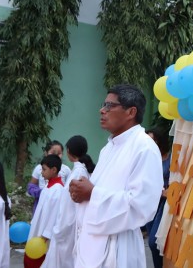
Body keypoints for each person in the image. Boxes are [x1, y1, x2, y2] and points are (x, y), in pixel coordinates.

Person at [69, 84, 163, 268]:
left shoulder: (145, 147)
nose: (102, 110)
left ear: (131, 112)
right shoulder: (108, 148)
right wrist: (80, 192)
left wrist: (92, 194)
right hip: (90, 244)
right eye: (104, 105)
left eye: (109, 105)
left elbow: (143, 206)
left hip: (118, 249)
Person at [42, 135, 95, 268]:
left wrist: (59, 229)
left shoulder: (77, 173)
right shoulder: (81, 170)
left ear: (69, 151)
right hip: (73, 225)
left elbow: (68, 205)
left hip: (68, 227)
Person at [25, 154, 64, 268]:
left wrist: (44, 237)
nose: (41, 172)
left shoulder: (58, 190)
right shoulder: (47, 188)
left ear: (54, 170)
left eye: (44, 169)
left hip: (44, 237)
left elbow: (54, 216)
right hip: (37, 229)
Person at [145, 127, 171, 268]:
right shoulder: (147, 157)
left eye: (152, 140)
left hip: (166, 204)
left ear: (159, 141)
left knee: (154, 242)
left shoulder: (171, 158)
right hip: (151, 203)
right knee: (154, 242)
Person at [27, 140, 71, 214]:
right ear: (46, 153)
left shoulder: (66, 170)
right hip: (41, 202)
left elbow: (68, 187)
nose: (56, 155)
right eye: (53, 153)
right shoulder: (39, 168)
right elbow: (32, 185)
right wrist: (41, 193)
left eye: (59, 153)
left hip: (58, 204)